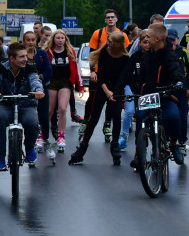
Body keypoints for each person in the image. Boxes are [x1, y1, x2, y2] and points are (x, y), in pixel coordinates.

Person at [69, 31, 130, 166]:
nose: (107, 43)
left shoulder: (125, 58)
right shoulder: (104, 53)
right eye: (108, 40)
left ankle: (114, 148)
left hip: (118, 90)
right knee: (93, 119)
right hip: (102, 89)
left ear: (119, 44)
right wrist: (107, 91)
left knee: (116, 117)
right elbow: (100, 74)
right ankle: (82, 148)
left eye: (110, 42)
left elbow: (124, 77)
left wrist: (116, 92)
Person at [132, 23, 187, 166]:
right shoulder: (145, 55)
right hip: (149, 95)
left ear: (157, 39)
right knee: (140, 116)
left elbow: (177, 73)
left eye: (148, 37)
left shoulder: (170, 55)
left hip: (165, 95)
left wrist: (178, 83)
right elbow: (138, 76)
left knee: (174, 116)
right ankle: (139, 152)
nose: (146, 40)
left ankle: (174, 144)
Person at [0, 42, 45, 171]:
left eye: (26, 56)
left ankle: (29, 147)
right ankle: (0, 158)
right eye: (22, 57)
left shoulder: (29, 68)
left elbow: (35, 80)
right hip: (7, 104)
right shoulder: (1, 68)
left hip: (26, 105)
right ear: (12, 58)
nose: (25, 59)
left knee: (32, 121)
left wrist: (39, 91)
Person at [86, 9, 130, 140]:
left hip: (115, 73)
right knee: (93, 98)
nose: (110, 19)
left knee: (113, 102)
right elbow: (92, 53)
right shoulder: (98, 33)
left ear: (116, 19)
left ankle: (107, 123)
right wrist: (93, 70)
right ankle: (86, 121)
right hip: (100, 71)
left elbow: (125, 53)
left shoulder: (123, 35)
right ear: (105, 20)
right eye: (108, 17)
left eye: (112, 17)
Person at [44, 29, 84, 154]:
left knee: (62, 108)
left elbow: (76, 69)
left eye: (62, 38)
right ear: (53, 39)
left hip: (66, 82)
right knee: (49, 110)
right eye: (58, 38)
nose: (60, 40)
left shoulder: (70, 51)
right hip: (51, 82)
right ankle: (42, 135)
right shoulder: (48, 51)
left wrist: (80, 86)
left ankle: (61, 136)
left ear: (65, 40)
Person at [21, 31, 54, 159]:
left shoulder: (41, 54)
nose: (30, 42)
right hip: (24, 90)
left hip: (40, 89)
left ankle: (46, 141)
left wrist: (39, 78)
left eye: (33, 40)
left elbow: (49, 70)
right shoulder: (20, 54)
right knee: (28, 119)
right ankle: (28, 142)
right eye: (28, 40)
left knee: (44, 117)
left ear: (36, 41)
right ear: (23, 41)